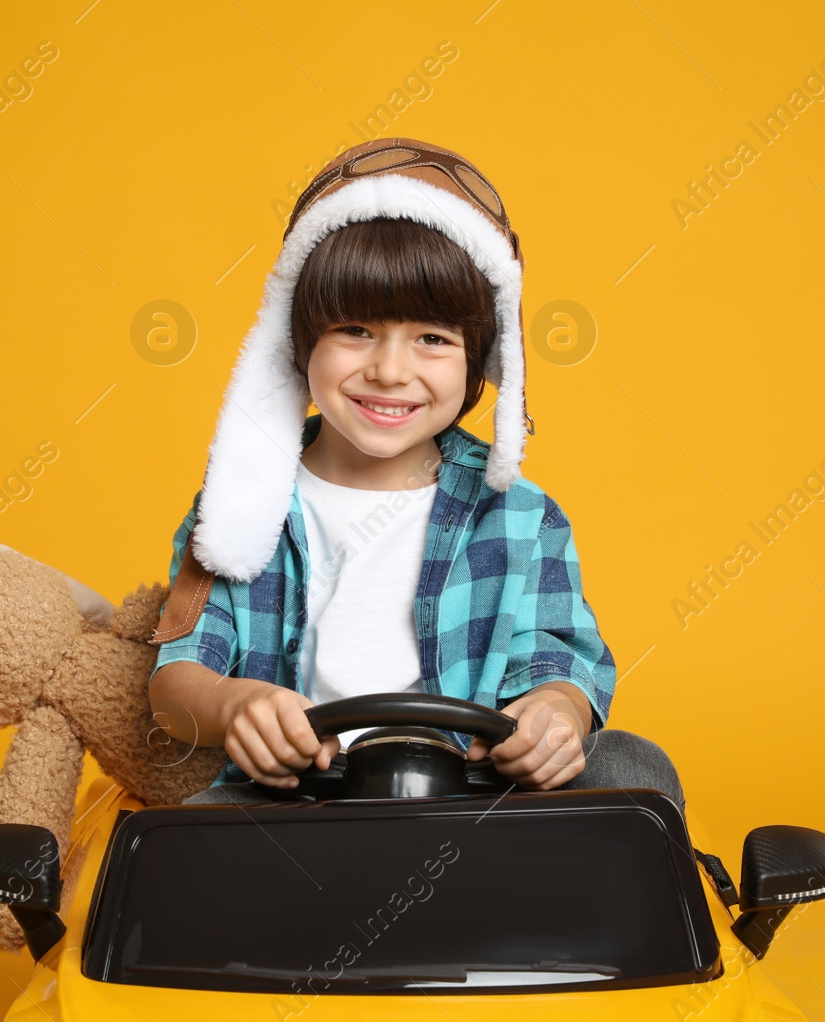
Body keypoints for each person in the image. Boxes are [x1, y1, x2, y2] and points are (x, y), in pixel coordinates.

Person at [146, 137, 684, 811]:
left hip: (476, 802)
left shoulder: (520, 516)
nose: (390, 370)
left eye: (432, 338)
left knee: (633, 763)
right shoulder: (240, 501)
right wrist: (236, 704)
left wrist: (557, 712)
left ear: (482, 361)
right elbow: (173, 685)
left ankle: (514, 906)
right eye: (354, 329)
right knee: (195, 833)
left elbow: (557, 661)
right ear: (300, 338)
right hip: (298, 801)